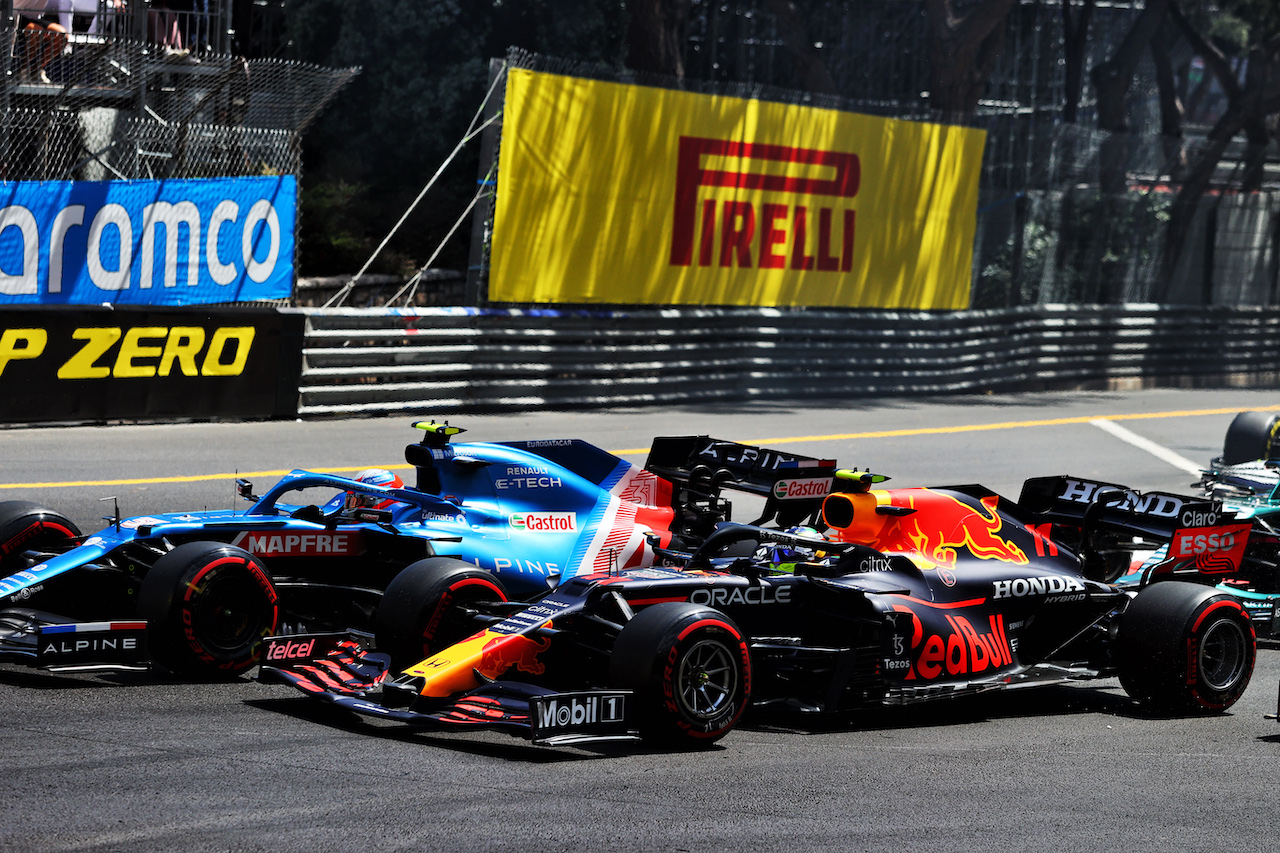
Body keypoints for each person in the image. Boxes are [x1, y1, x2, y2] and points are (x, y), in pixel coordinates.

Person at [12, 0, 67, 84]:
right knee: (36, 31)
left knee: (62, 35)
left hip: (36, 18)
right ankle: (23, 70)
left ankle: (36, 70)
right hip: (16, 16)